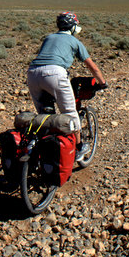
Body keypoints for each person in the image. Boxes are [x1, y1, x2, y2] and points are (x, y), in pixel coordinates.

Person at [27, 11, 106, 161]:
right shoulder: (75, 42)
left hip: (32, 74)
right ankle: (78, 148)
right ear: (73, 27)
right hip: (55, 74)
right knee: (70, 113)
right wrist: (102, 82)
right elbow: (93, 68)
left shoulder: (49, 37)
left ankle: (39, 147)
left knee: (44, 116)